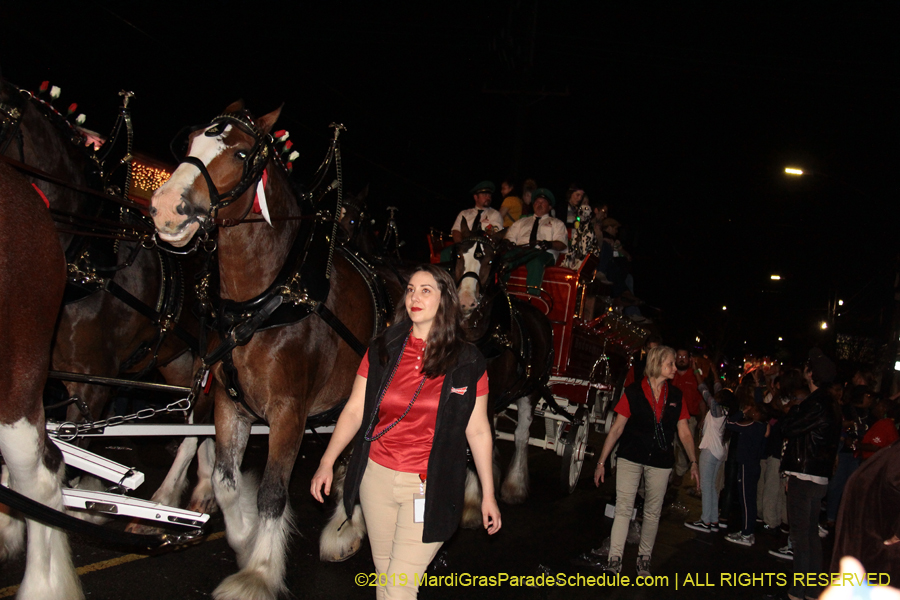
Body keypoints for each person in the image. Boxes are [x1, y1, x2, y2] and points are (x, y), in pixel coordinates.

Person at [310, 265, 501, 600]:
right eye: (411, 289)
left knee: (398, 588)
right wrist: (327, 461)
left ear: (445, 300)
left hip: (429, 487)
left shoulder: (468, 362)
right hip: (376, 480)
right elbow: (355, 409)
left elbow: (479, 430)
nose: (415, 296)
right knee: (386, 581)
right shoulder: (383, 347)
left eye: (426, 290)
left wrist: (487, 494)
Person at [593, 345, 700, 577]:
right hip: (631, 456)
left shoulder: (675, 396)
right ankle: (615, 559)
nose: (674, 367)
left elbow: (684, 432)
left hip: (660, 460)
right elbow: (617, 428)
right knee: (623, 508)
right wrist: (601, 462)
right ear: (657, 364)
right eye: (670, 363)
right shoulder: (633, 392)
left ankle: (644, 559)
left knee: (652, 512)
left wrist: (694, 462)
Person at [780, 348, 841, 600]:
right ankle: (813, 589)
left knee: (801, 535)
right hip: (818, 477)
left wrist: (793, 410)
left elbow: (792, 428)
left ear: (811, 374)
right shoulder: (832, 403)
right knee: (811, 535)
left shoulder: (815, 403)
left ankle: (799, 589)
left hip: (804, 476)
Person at [685, 363, 732, 533]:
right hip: (720, 452)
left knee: (706, 485)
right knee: (712, 486)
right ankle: (712, 520)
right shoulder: (726, 410)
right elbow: (717, 387)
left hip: (710, 451)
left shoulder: (716, 409)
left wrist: (697, 370)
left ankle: (705, 520)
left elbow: (703, 389)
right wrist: (714, 372)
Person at [502, 188, 567, 295]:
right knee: (505, 258)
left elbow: (561, 244)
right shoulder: (521, 222)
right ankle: (501, 291)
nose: (539, 205)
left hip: (543, 253)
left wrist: (549, 244)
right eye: (536, 202)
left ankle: (532, 297)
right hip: (521, 251)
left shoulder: (557, 223)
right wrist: (508, 244)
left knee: (535, 262)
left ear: (550, 207)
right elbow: (509, 239)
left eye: (543, 202)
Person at [723, 394, 769, 546]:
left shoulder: (753, 426)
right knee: (749, 499)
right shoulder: (762, 427)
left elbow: (729, 423)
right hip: (753, 465)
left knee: (746, 500)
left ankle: (747, 534)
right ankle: (746, 530)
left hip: (746, 466)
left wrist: (742, 412)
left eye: (754, 410)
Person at [672, 349, 706, 479]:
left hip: (689, 418)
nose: (681, 359)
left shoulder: (695, 377)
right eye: (679, 356)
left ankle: (679, 474)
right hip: (670, 416)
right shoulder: (671, 374)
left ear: (689, 359)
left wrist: (703, 417)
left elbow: (701, 399)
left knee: (684, 448)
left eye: (684, 357)